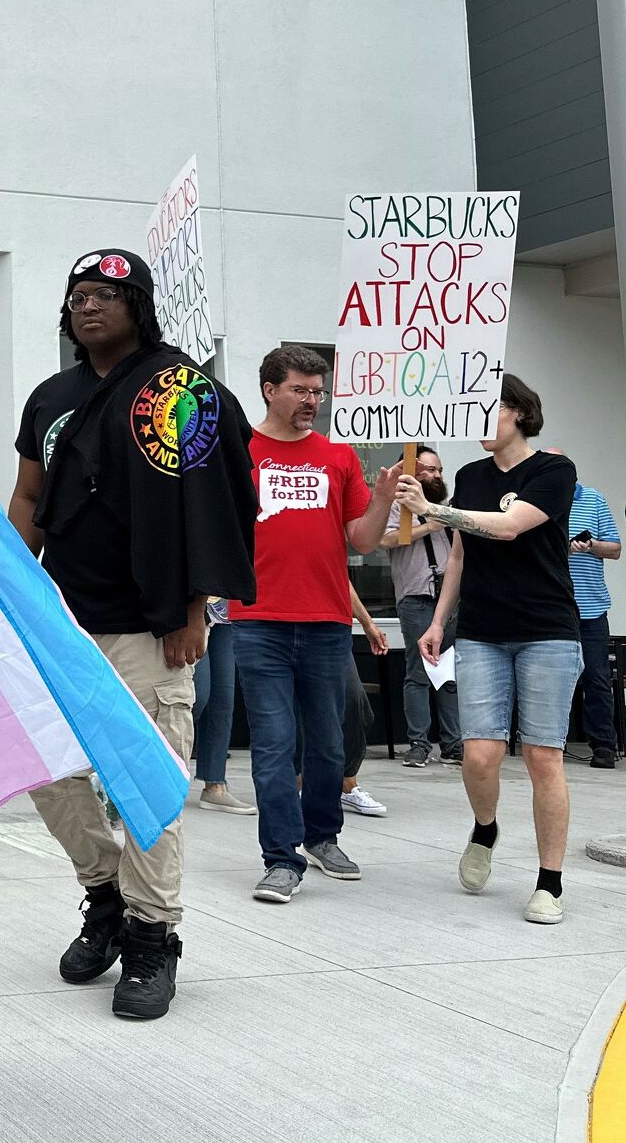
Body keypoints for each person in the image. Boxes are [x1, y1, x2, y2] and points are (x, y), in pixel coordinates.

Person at [6, 248, 257, 1018]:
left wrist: (195, 612)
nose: (88, 306)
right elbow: (26, 496)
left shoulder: (182, 390)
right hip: (62, 626)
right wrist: (8, 597)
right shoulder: (51, 396)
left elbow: (217, 503)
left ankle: (152, 939)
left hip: (150, 629)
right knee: (48, 773)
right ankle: (107, 895)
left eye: (107, 295)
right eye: (77, 295)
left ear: (140, 306)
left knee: (147, 792)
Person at [395, 374, 580, 926]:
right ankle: (486, 828)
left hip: (546, 628)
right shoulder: (472, 476)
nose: (476, 423)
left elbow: (509, 527)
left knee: (544, 755)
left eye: (487, 410)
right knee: (479, 754)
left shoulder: (553, 469)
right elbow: (459, 557)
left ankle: (550, 882)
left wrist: (437, 509)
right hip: (479, 631)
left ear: (519, 412)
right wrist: (437, 620)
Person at [229, 346, 399, 905]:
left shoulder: (339, 457)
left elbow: (365, 541)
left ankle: (323, 836)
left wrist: (379, 499)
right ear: (269, 390)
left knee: (328, 745)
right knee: (274, 746)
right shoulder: (240, 452)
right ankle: (281, 859)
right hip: (259, 621)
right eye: (300, 390)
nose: (312, 401)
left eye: (318, 391)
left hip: (327, 621)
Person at [386, 446, 462, 768]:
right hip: (416, 598)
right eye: (429, 470)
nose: (436, 476)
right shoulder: (398, 507)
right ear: (414, 475)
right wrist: (429, 526)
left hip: (449, 598)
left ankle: (453, 743)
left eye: (439, 470)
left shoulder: (445, 509)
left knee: (448, 672)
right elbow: (388, 540)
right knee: (419, 671)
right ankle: (418, 743)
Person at [552, 451, 624, 767]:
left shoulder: (593, 499)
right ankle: (550, 745)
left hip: (591, 606)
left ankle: (604, 747)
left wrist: (590, 545)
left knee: (596, 677)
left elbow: (616, 548)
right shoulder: (535, 499)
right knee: (552, 679)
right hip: (551, 606)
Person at [192, 597, 253, 813]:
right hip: (192, 603)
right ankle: (152, 776)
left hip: (226, 606)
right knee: (198, 696)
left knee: (222, 699)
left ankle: (214, 785)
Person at [342, 587, 388, 818]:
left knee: (356, 704)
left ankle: (346, 784)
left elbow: (342, 577)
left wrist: (367, 623)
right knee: (296, 704)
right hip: (277, 620)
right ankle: (298, 782)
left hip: (329, 624)